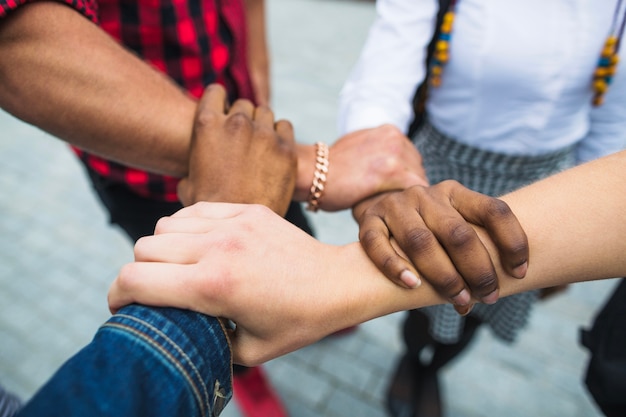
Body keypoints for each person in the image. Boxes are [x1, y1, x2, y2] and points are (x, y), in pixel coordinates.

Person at [0, 1, 427, 416]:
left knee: (287, 236)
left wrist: (257, 75)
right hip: (141, 166)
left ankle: (302, 307)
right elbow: (18, 41)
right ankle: (237, 363)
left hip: (244, 118)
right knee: (203, 278)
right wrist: (309, 166)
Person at [15, 148, 626, 417]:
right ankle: (413, 361)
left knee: (467, 320)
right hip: (442, 188)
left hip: (547, 192)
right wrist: (366, 190)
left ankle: (427, 364)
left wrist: (334, 278)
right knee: (439, 305)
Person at [338, 1, 626, 415]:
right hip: (440, 174)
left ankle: (434, 369)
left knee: (487, 304)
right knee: (426, 295)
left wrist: (587, 223)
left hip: (542, 187)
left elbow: (610, 122)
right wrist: (375, 171)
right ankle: (412, 357)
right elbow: (385, 70)